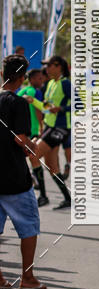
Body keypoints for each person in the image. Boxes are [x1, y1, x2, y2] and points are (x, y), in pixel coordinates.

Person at [0, 55, 47, 289]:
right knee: (28, 225)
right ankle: (27, 277)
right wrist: (33, 146)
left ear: (2, 74)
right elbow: (21, 139)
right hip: (14, 176)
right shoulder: (18, 103)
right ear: (21, 79)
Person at [36, 55, 72, 210]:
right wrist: (32, 101)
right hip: (50, 126)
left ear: (59, 67)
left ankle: (43, 196)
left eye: (49, 65)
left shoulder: (65, 84)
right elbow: (45, 107)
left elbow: (80, 104)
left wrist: (62, 109)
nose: (47, 68)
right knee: (52, 167)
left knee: (33, 154)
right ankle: (68, 199)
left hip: (61, 127)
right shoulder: (50, 83)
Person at [18, 68, 48, 206]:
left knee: (26, 159)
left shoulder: (21, 91)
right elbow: (38, 110)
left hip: (22, 130)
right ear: (32, 79)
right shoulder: (36, 92)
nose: (41, 81)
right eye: (39, 79)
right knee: (34, 160)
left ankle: (31, 179)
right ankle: (41, 193)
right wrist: (42, 126)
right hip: (33, 130)